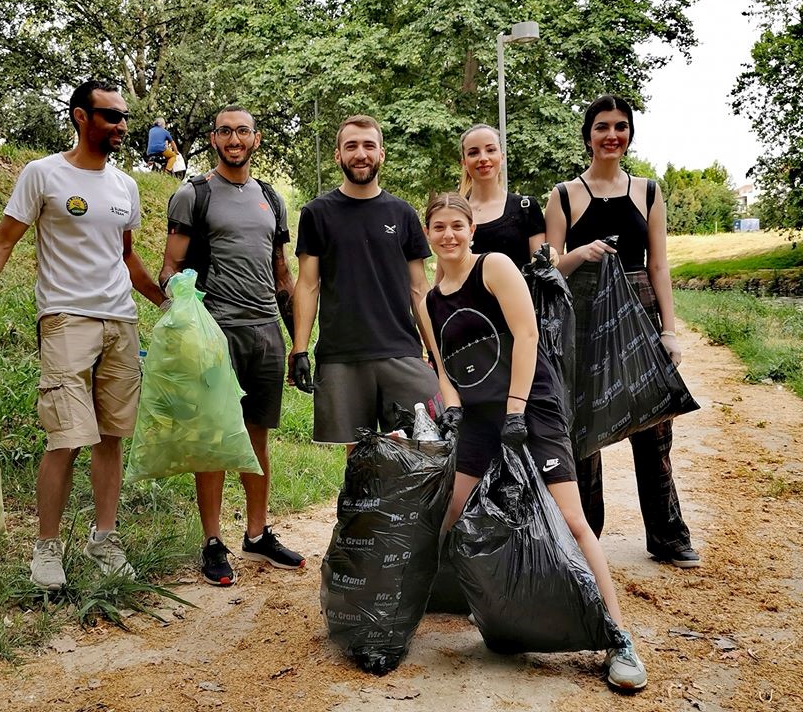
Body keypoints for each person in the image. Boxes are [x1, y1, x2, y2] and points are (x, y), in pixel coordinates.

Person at [0, 80, 164, 590]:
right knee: (65, 437)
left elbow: (125, 257)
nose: (122, 126)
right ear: (82, 118)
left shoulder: (125, 186)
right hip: (64, 319)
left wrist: (169, 305)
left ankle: (104, 539)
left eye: (124, 116)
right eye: (111, 117)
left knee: (111, 436)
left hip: (120, 323)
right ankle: (46, 549)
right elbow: (3, 239)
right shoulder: (43, 174)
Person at [417, 191, 647, 691]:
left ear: (471, 229)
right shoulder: (433, 297)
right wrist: (452, 409)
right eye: (439, 227)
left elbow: (526, 336)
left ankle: (618, 636)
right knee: (448, 514)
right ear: (428, 233)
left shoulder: (494, 266)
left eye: (458, 225)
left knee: (571, 519)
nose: (449, 235)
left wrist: (517, 412)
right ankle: (408, 607)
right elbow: (444, 365)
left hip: (532, 408)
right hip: (479, 416)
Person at [544, 94, 701, 569]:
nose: (612, 135)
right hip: (584, 316)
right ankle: (583, 535)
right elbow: (548, 268)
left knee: (653, 425)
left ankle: (668, 535)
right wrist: (580, 254)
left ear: (630, 134)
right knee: (583, 428)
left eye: (621, 126)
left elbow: (659, 265)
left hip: (639, 311)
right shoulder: (564, 195)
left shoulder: (649, 191)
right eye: (602, 127)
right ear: (587, 135)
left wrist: (668, 331)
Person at [157, 105, 305, 587]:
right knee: (214, 438)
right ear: (214, 139)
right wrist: (186, 322)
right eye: (226, 131)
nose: (234, 138)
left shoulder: (270, 197)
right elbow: (169, 270)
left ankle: (258, 533)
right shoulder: (192, 194)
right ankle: (213, 541)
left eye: (243, 131)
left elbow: (282, 271)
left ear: (256, 140)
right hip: (215, 331)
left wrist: (298, 344)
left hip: (266, 331)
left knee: (257, 434)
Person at [290, 115, 439, 451]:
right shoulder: (317, 213)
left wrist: (436, 352)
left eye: (369, 145)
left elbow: (419, 289)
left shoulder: (402, 214)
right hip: (341, 355)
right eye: (352, 146)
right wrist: (299, 349)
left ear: (381, 154)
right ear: (338, 155)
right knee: (358, 459)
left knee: (420, 449)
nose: (361, 154)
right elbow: (308, 284)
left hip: (401, 351)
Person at [457, 123, 550, 268]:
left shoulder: (526, 208)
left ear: (502, 157)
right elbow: (445, 276)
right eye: (473, 152)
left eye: (490, 150)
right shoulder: (455, 211)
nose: (483, 158)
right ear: (464, 162)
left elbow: (539, 269)